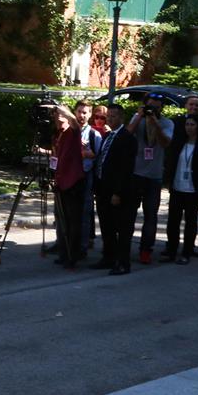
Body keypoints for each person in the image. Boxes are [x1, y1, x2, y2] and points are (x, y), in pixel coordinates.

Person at [161, 115, 198, 264]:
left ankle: (186, 252)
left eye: (192, 124)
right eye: (187, 124)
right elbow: (170, 161)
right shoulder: (179, 143)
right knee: (173, 221)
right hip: (177, 187)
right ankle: (171, 251)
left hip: (193, 190)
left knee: (190, 221)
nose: (189, 127)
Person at [93, 104, 138, 275]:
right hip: (103, 189)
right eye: (108, 116)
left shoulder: (127, 138)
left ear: (121, 118)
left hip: (119, 192)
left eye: (113, 116)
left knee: (122, 228)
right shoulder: (107, 136)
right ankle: (108, 257)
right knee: (107, 226)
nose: (110, 119)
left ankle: (123, 263)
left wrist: (118, 192)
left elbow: (126, 168)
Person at [129, 93, 174, 265]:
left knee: (150, 216)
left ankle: (146, 250)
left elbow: (165, 143)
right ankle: (125, 246)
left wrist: (155, 123)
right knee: (130, 213)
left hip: (154, 176)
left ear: (161, 108)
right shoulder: (137, 117)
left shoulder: (167, 123)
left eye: (157, 107)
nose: (153, 110)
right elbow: (127, 134)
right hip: (136, 174)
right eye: (150, 106)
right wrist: (140, 116)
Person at [51, 104, 86, 268]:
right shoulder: (59, 135)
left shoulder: (73, 131)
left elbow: (73, 120)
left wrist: (59, 107)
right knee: (63, 221)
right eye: (55, 115)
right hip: (61, 181)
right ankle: (64, 253)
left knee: (73, 222)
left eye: (61, 115)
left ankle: (73, 255)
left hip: (73, 182)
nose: (58, 117)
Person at [75, 100, 102, 258]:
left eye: (85, 112)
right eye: (79, 111)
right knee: (69, 211)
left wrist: (86, 151)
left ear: (90, 114)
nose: (82, 115)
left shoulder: (94, 134)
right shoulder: (69, 131)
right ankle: (66, 243)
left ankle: (83, 247)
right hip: (70, 174)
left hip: (86, 176)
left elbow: (97, 156)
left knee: (85, 212)